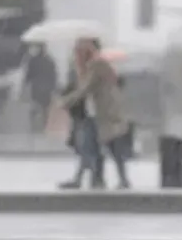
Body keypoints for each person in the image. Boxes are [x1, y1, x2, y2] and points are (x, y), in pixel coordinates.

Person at [59, 38, 131, 189]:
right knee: (89, 147)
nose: (76, 56)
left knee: (110, 147)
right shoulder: (89, 67)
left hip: (105, 114)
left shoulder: (97, 65)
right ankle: (90, 179)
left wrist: (67, 101)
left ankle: (117, 180)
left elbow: (85, 89)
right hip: (95, 114)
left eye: (78, 52)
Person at [23, 43, 58, 133]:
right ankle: (44, 125)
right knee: (45, 109)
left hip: (36, 87)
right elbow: (53, 76)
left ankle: (34, 125)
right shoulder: (49, 61)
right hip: (46, 88)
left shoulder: (33, 60)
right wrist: (53, 87)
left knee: (35, 107)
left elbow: (29, 75)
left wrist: (25, 84)